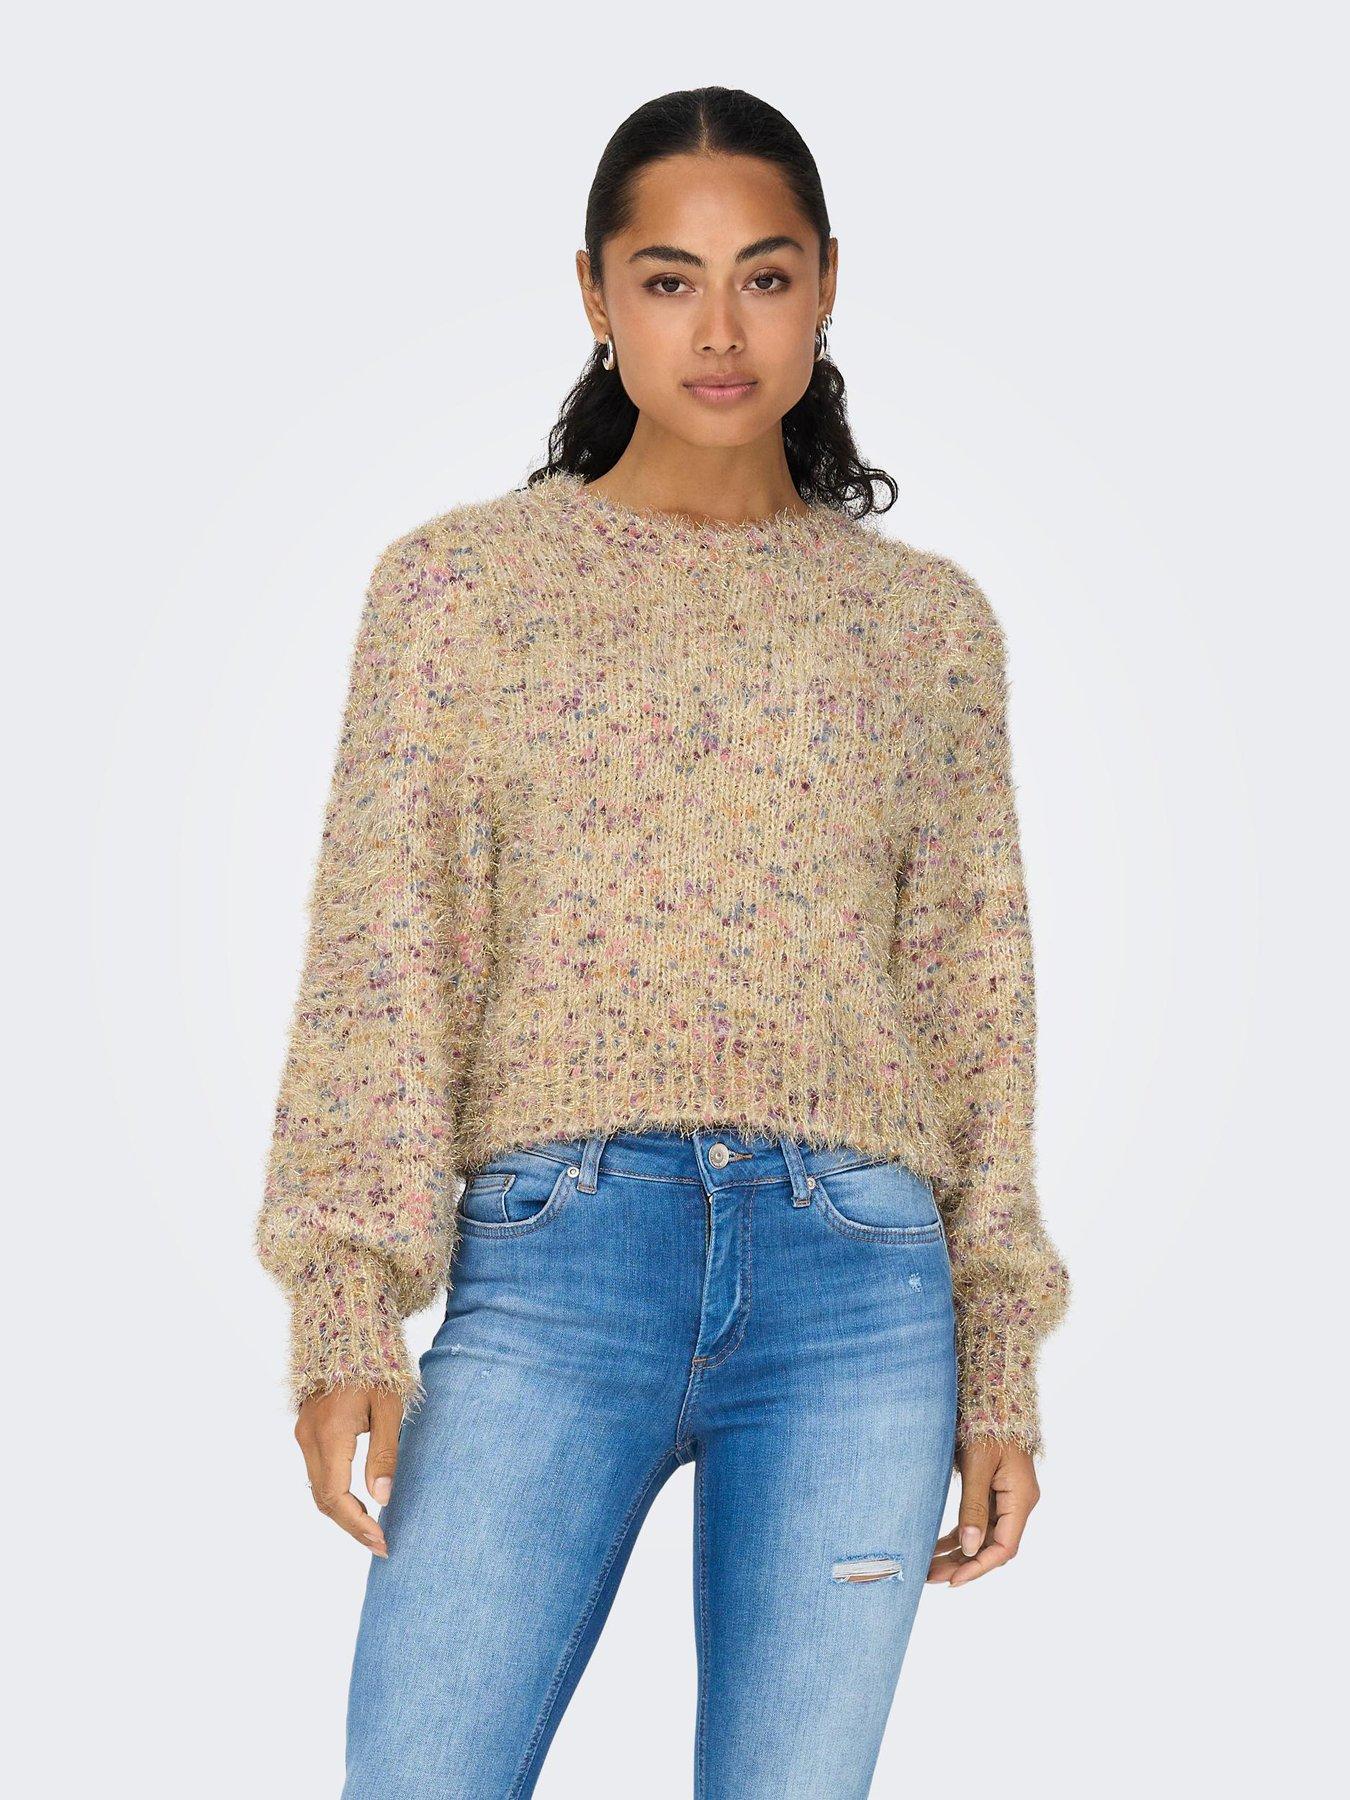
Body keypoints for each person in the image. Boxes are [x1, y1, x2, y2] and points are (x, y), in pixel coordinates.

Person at [255, 84, 1072, 1799]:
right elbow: (384, 953)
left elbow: (974, 998)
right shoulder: (458, 590)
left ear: (825, 286)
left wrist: (999, 1363)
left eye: (763, 277)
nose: (718, 330)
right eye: (668, 279)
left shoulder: (924, 625)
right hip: (556, 1265)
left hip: (857, 1288)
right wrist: (343, 1308)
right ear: (594, 294)